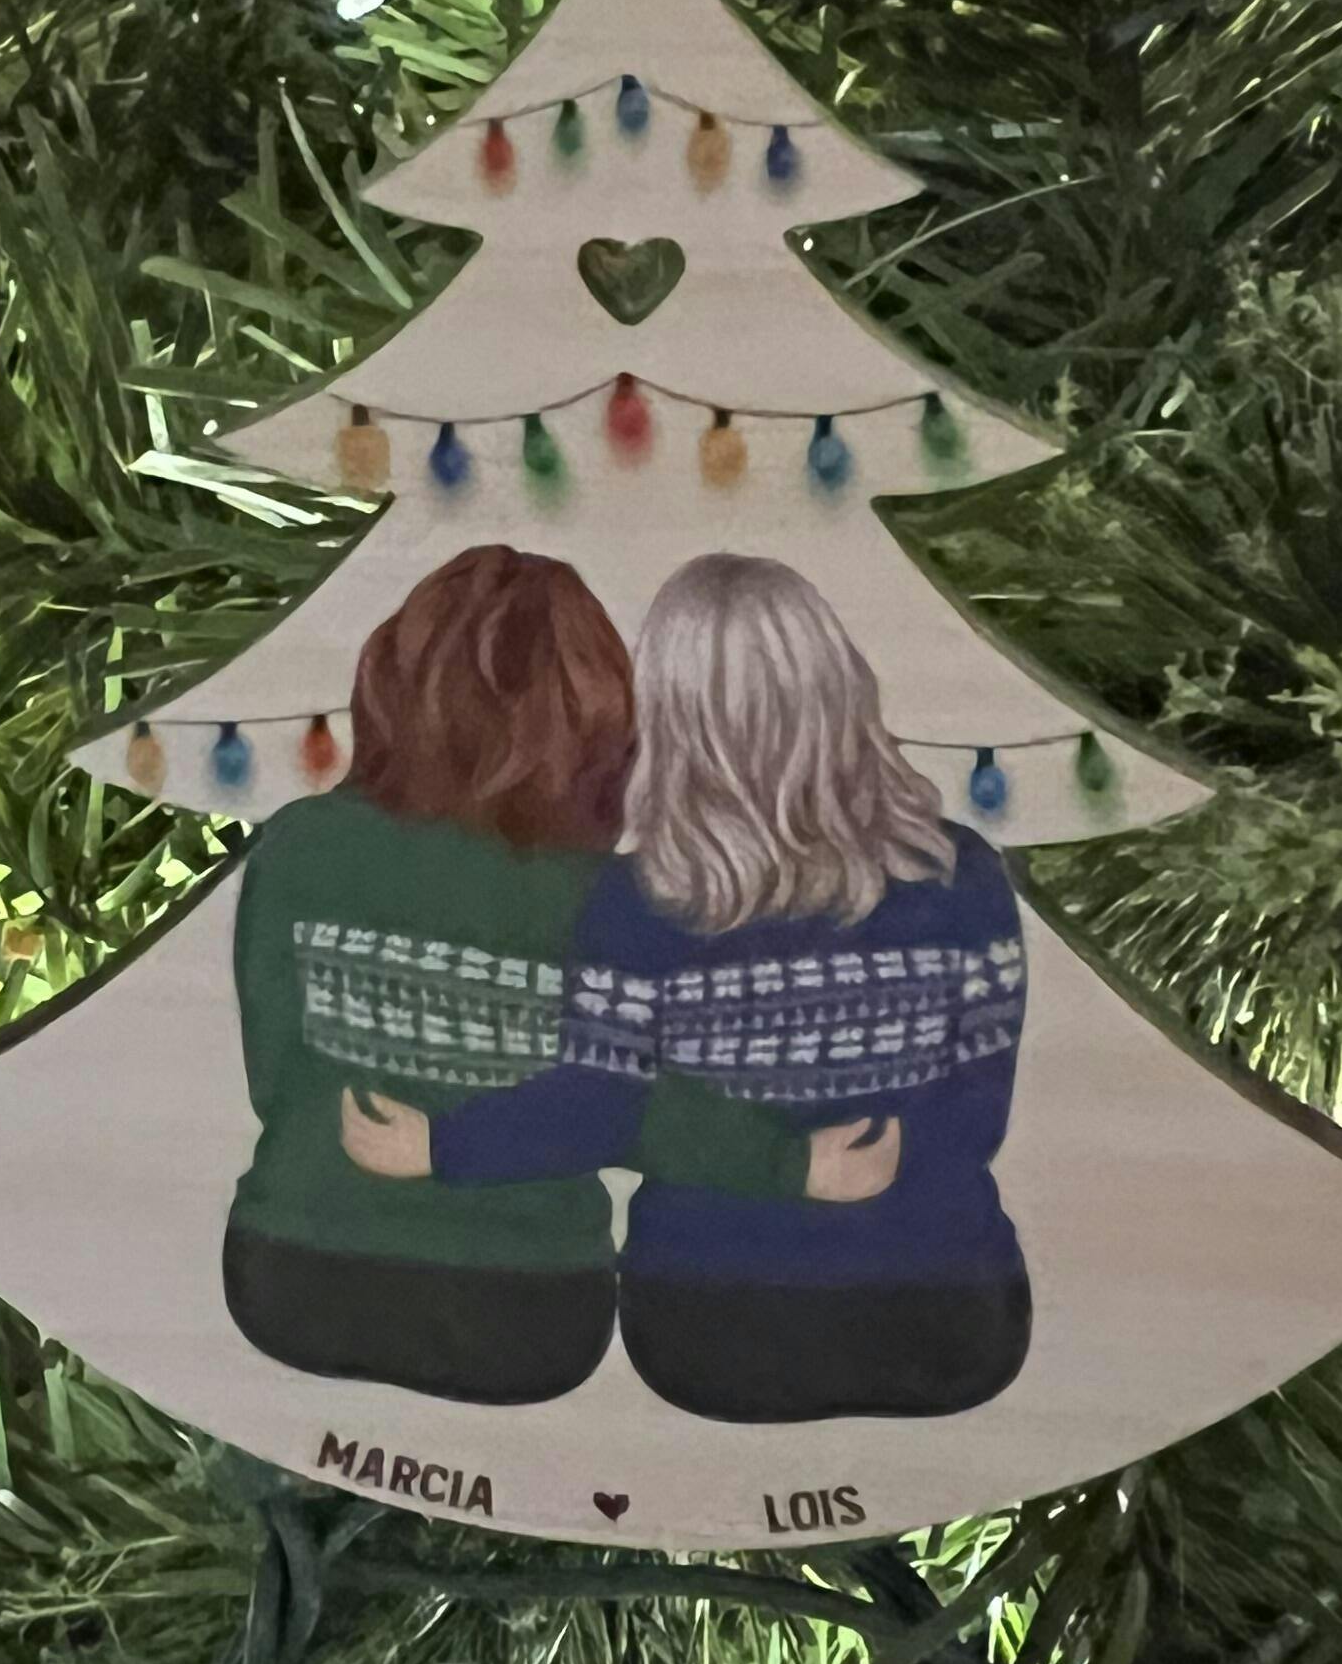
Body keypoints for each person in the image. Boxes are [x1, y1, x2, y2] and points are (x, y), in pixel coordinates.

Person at [342, 552, 1027, 1422]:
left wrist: (444, 1147)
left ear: (670, 714)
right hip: (953, 1322)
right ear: (840, 682)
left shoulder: (633, 905)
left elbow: (599, 1109)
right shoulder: (965, 875)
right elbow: (976, 1116)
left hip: (708, 1334)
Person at [225, 545, 891, 1406]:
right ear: (601, 721)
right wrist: (788, 1164)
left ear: (391, 681)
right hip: (530, 1313)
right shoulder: (617, 901)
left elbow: (276, 1077)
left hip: (291, 1278)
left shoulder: (299, 847)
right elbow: (631, 1115)